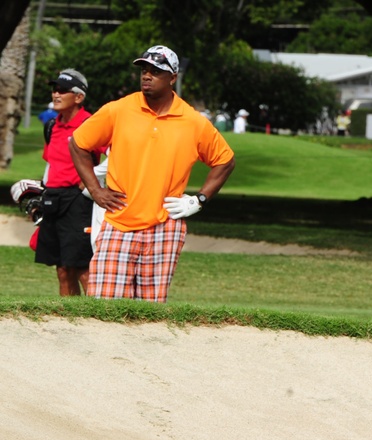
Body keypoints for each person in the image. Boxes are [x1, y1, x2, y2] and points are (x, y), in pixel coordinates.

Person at [69, 45, 236, 302]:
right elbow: (78, 143)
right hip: (118, 221)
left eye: (156, 71)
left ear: (172, 78)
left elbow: (225, 160)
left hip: (165, 225)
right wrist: (95, 190)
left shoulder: (192, 121)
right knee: (103, 307)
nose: (147, 76)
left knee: (151, 311)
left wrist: (199, 200)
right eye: (144, 70)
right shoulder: (119, 109)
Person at [35, 68, 104, 296]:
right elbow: (50, 164)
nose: (56, 94)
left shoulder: (91, 124)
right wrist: (40, 192)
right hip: (53, 199)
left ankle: (98, 319)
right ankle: (68, 321)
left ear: (78, 97)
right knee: (63, 268)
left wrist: (93, 180)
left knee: (83, 266)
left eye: (63, 90)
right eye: (55, 89)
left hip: (78, 201)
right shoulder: (52, 125)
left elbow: (116, 154)